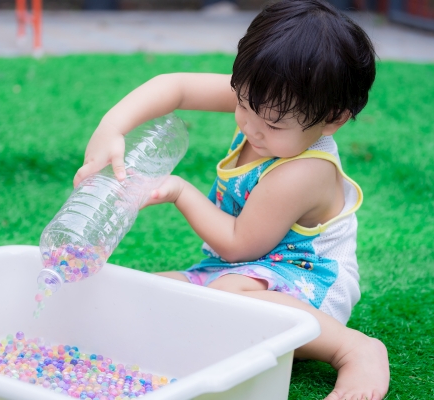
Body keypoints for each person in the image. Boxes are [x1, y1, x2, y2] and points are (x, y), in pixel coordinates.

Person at [73, 1, 390, 398]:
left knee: (227, 300)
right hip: (237, 273)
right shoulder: (266, 99)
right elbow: (175, 86)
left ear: (333, 118)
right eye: (241, 103)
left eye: (272, 124)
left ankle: (352, 348)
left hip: (306, 284)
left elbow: (240, 244)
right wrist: (112, 127)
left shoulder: (303, 171)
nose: (250, 125)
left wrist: (179, 192)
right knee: (148, 292)